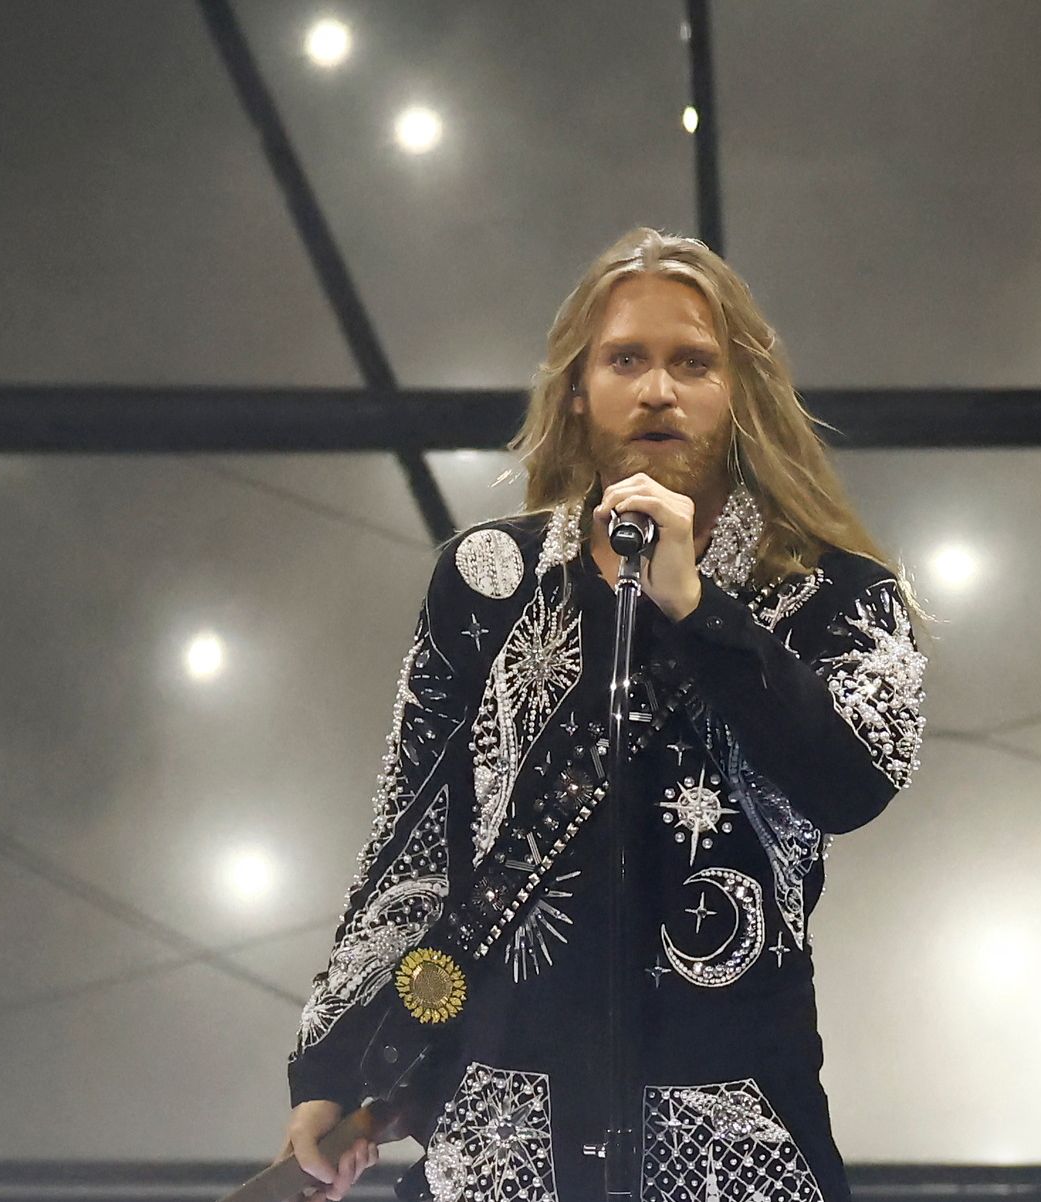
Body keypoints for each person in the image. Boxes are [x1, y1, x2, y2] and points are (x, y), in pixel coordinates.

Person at [278, 227, 930, 1202]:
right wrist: (335, 1066)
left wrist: (698, 606)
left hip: (730, 1125)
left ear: (737, 391)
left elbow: (851, 779)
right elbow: (415, 828)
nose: (658, 387)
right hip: (502, 1126)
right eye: (627, 358)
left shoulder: (839, 596)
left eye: (693, 362)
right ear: (578, 388)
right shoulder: (487, 581)